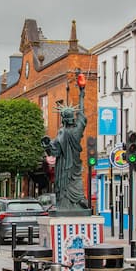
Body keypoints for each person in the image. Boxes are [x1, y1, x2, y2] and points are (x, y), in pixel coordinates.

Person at [41, 79, 89, 211]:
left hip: (67, 166)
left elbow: (53, 149)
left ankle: (74, 204)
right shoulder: (76, 130)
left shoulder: (63, 132)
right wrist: (81, 94)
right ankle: (74, 203)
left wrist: (47, 145)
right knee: (73, 183)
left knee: (67, 185)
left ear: (62, 119)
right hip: (71, 165)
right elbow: (82, 114)